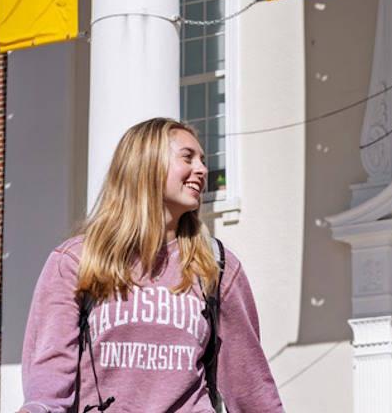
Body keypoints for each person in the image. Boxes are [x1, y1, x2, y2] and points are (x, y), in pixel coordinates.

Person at [18, 117, 284, 412]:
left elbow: (250, 386)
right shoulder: (75, 261)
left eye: (203, 160)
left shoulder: (216, 266)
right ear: (147, 165)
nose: (202, 170)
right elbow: (49, 376)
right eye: (188, 157)